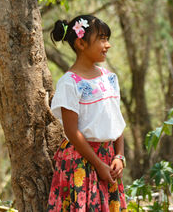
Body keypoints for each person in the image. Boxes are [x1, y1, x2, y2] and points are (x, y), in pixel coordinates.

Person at [47, 15, 127, 211]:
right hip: (81, 162)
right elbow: (72, 132)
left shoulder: (110, 79)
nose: (107, 45)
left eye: (107, 38)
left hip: (108, 160)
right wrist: (98, 164)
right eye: (101, 39)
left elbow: (116, 121)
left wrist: (119, 156)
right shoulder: (70, 83)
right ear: (81, 43)